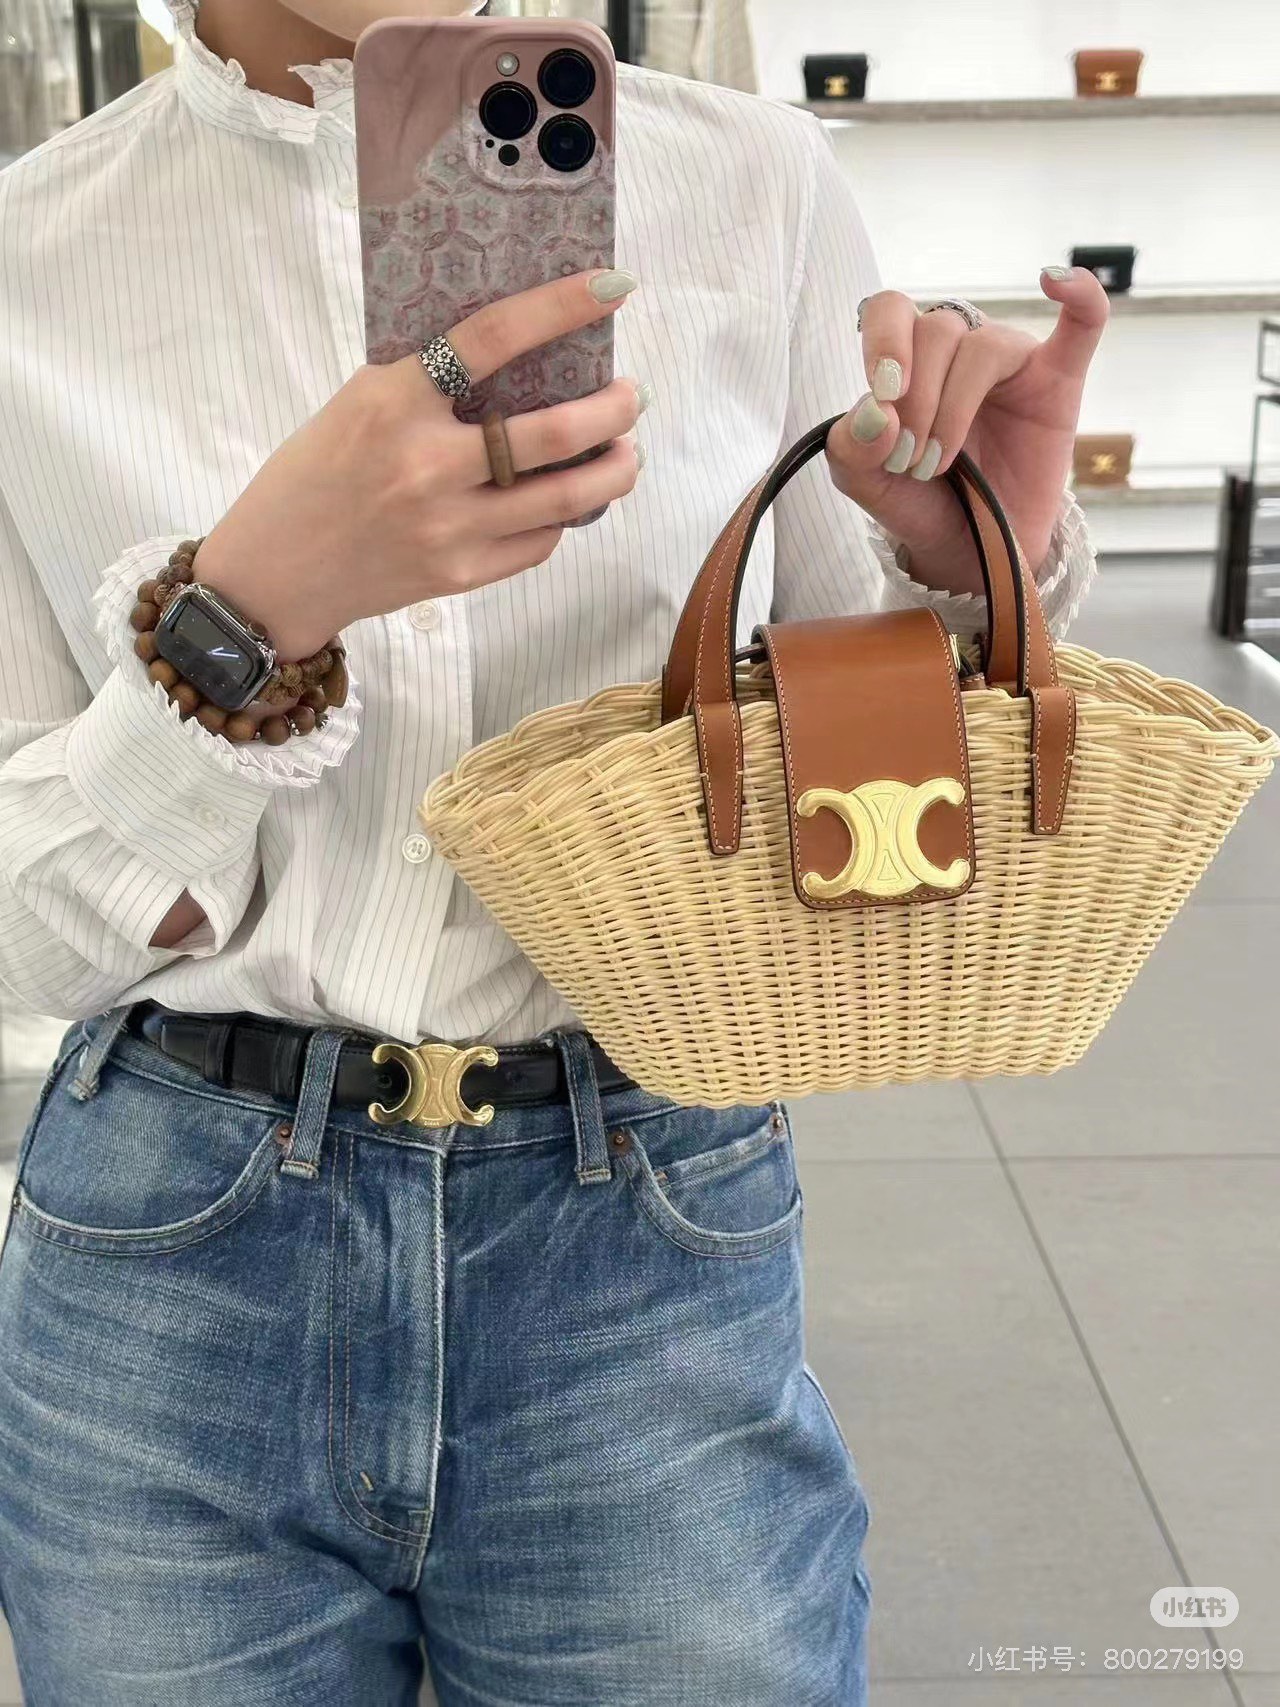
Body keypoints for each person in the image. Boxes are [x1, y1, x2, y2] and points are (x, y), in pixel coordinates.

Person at [0, 1, 1107, 1701]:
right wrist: (244, 618)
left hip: (639, 1221)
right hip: (170, 1261)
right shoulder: (30, 254)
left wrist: (978, 561)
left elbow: (866, 806)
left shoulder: (751, 184)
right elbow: (25, 936)